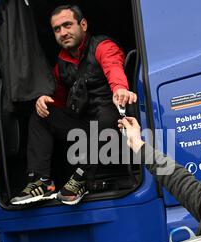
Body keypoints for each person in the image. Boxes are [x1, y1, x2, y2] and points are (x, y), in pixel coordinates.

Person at [11, 4, 137, 205]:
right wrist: (44, 101)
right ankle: (41, 182)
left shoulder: (103, 46)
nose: (63, 32)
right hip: (84, 127)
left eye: (67, 25)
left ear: (83, 24)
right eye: (57, 29)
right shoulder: (61, 64)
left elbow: (113, 67)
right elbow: (60, 99)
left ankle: (82, 178)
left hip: (112, 126)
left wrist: (120, 89)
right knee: (41, 115)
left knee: (109, 114)